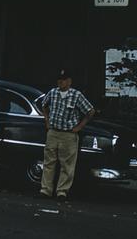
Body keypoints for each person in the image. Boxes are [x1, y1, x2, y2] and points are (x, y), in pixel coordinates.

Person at [39, 69, 95, 201]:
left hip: (68, 134)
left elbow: (90, 111)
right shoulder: (53, 93)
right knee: (49, 162)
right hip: (53, 132)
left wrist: (79, 127)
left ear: (69, 81)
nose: (61, 82)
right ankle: (45, 190)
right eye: (59, 79)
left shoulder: (76, 95)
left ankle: (62, 192)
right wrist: (47, 120)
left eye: (64, 79)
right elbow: (44, 105)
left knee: (67, 164)